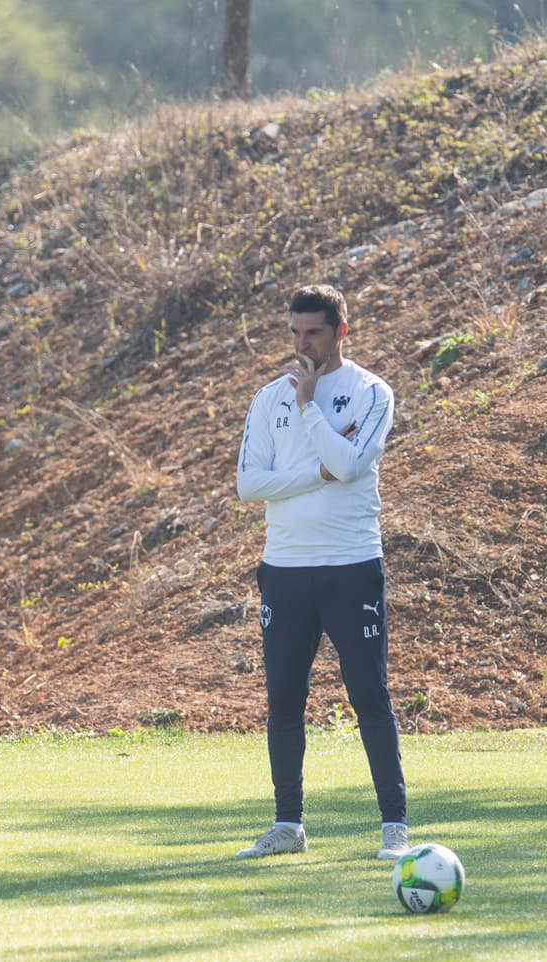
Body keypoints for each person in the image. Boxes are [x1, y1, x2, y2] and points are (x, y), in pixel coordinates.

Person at [234, 283, 408, 860]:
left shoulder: (370, 393)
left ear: (341, 330)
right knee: (284, 698)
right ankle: (288, 826)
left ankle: (394, 828)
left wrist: (311, 408)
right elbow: (248, 485)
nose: (301, 343)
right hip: (284, 571)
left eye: (313, 331)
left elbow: (352, 464)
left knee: (369, 695)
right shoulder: (267, 399)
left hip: (351, 566)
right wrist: (313, 472)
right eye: (294, 331)